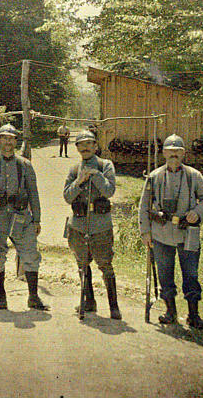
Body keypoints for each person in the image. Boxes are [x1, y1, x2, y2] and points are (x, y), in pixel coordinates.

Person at [138, 134, 203, 329]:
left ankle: (194, 315)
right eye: (170, 151)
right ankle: (170, 312)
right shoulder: (154, 177)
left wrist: (197, 213)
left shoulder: (194, 176)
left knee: (191, 275)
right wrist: (145, 232)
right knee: (165, 275)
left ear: (183, 153)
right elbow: (144, 206)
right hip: (161, 234)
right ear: (163, 153)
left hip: (187, 234)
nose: (174, 155)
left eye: (177, 151)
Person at [0, 123, 48, 310]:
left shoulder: (25, 165)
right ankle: (1, 296)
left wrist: (37, 219)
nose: (8, 141)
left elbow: (33, 193)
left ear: (16, 141)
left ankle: (33, 296)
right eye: (4, 137)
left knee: (30, 255)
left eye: (11, 138)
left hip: (21, 216)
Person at [63, 130, 121, 319]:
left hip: (100, 226)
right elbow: (67, 196)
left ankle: (113, 306)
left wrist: (95, 175)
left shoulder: (106, 166)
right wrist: (79, 181)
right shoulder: (74, 169)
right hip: (78, 225)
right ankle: (88, 302)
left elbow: (109, 191)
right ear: (77, 148)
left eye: (89, 143)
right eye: (81, 144)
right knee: (82, 264)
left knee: (105, 264)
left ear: (96, 146)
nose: (86, 147)